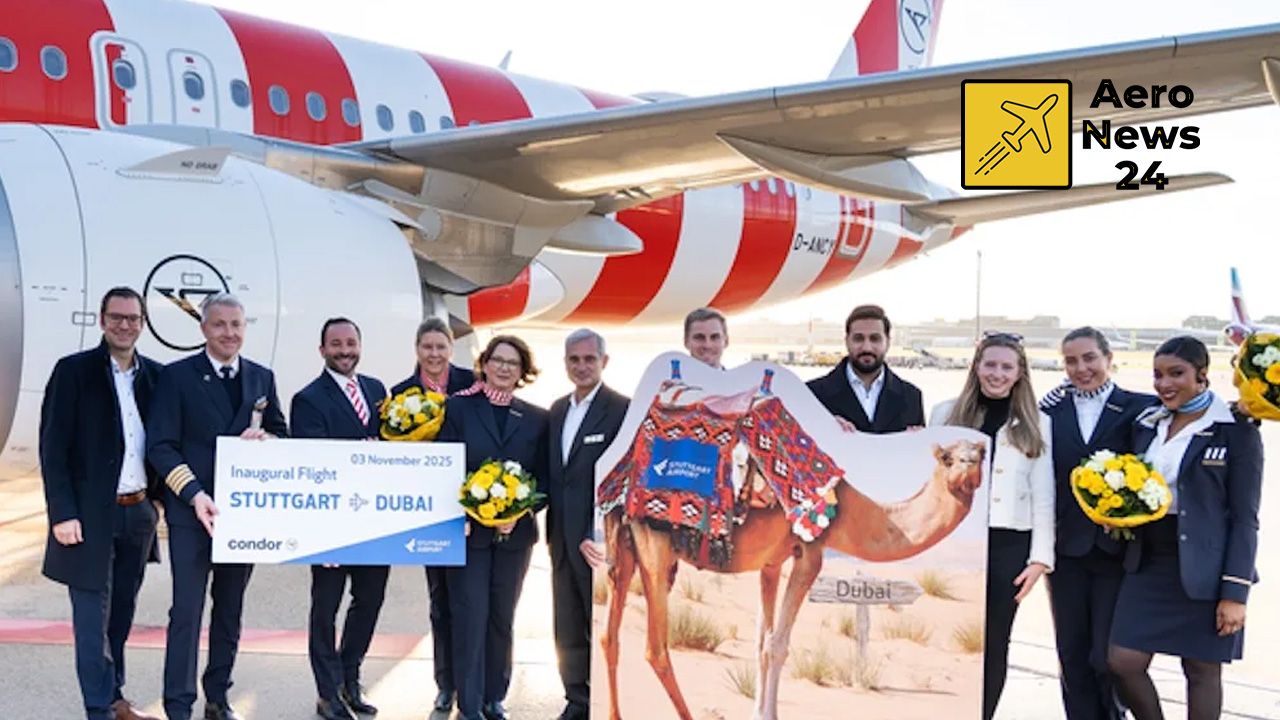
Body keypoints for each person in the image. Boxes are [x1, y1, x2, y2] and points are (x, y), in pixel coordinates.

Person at [146, 292, 288, 720]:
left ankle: (218, 698)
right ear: (203, 328)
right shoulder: (177, 377)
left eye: (236, 325)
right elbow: (161, 446)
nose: (229, 333)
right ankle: (179, 705)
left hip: (241, 515)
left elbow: (282, 435)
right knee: (186, 612)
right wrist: (193, 494)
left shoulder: (262, 377)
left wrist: (266, 441)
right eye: (220, 324)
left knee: (229, 610)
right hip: (193, 512)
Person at [1107, 337, 1263, 720]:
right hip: (1149, 561)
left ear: (1202, 375)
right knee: (1123, 661)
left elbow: (1245, 518)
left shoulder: (1235, 429)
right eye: (1158, 375)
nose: (1164, 384)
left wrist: (1235, 593)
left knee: (1201, 669)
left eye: (1176, 373)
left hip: (1206, 566)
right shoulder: (1147, 424)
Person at [39, 287, 163, 720]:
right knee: (93, 619)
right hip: (88, 516)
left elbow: (164, 443)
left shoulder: (155, 377)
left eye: (133, 318)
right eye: (117, 317)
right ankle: (99, 709)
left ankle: (114, 697)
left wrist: (156, 503)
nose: (125, 325)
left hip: (138, 512)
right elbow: (53, 448)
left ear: (143, 323)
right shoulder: (73, 372)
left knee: (121, 615)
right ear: (102, 319)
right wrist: (62, 513)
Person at [929, 331, 1054, 720]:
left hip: (1008, 546)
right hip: (956, 541)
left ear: (1019, 373)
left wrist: (1039, 560)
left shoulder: (1037, 423)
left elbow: (1043, 495)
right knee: (949, 638)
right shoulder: (944, 414)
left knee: (995, 642)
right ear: (977, 367)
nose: (997, 374)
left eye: (1006, 367)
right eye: (990, 364)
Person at [1040, 327, 1156, 720]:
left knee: (1106, 658)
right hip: (1066, 551)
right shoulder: (1049, 412)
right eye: (1071, 361)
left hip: (1116, 553)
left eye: (1089, 358)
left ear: (1108, 358)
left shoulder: (1141, 408)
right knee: (1072, 655)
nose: (1081, 368)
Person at [436, 335, 549, 720]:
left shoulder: (536, 418)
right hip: (469, 535)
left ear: (522, 372)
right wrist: (463, 513)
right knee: (470, 617)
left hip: (516, 538)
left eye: (512, 363)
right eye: (497, 360)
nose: (504, 368)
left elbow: (544, 478)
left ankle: (493, 696)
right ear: (484, 364)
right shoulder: (459, 408)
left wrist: (523, 509)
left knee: (502, 617)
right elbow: (444, 467)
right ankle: (469, 704)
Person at [290, 318, 388, 720]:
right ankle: (327, 692)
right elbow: (313, 460)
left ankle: (350, 677)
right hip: (330, 524)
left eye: (350, 343)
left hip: (374, 523)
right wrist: (362, 451)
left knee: (370, 601)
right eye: (336, 344)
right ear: (322, 350)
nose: (344, 350)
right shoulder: (307, 399)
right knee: (325, 608)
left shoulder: (377, 391)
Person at [389, 316, 475, 714]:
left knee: (469, 603)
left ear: (451, 349)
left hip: (473, 509)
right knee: (440, 601)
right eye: (428, 347)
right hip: (430, 513)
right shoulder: (400, 394)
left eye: (441, 347)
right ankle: (445, 684)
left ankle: (474, 683)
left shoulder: (472, 385)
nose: (434, 354)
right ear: (417, 349)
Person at [546, 329, 629, 720]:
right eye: (574, 360)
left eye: (589, 359)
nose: (581, 366)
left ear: (604, 362)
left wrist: (605, 535)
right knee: (567, 623)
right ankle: (576, 699)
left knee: (602, 623)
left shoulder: (622, 410)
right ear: (565, 363)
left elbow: (627, 477)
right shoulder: (557, 410)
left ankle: (602, 701)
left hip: (599, 543)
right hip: (560, 539)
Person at [808, 304, 925, 433]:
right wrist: (824, 427)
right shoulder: (812, 394)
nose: (866, 347)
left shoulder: (912, 397)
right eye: (858, 339)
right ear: (847, 341)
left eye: (875, 339)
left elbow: (922, 446)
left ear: (887, 342)